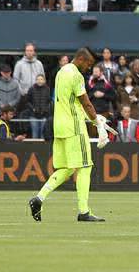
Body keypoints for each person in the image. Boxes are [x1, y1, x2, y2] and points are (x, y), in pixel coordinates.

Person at [29, 47, 108, 223]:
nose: (88, 68)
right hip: (74, 127)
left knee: (66, 168)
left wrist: (94, 118)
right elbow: (86, 103)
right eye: (88, 64)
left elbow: (71, 101)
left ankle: (39, 198)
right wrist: (97, 122)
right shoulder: (77, 76)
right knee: (85, 166)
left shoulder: (61, 72)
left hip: (59, 126)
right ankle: (84, 211)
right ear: (80, 59)